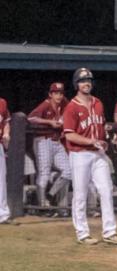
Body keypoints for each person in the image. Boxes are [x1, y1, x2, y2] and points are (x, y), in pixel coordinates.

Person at [63, 68, 117, 245]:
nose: (86, 83)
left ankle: (110, 231)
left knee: (106, 190)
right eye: (82, 81)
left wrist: (108, 137)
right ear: (76, 84)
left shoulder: (98, 103)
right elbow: (69, 135)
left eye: (88, 80)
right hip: (79, 154)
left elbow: (101, 125)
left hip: (98, 153)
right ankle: (82, 233)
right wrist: (92, 142)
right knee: (80, 194)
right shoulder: (71, 107)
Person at [27, 82, 72, 217]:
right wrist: (49, 122)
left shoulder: (64, 103)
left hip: (56, 142)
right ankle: (42, 205)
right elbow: (30, 118)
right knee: (44, 172)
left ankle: (50, 195)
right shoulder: (46, 104)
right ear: (50, 94)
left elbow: (71, 111)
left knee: (69, 170)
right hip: (43, 141)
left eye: (60, 93)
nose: (59, 95)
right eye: (56, 93)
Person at [0, 97, 17, 225]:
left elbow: (6, 121)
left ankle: (3, 214)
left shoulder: (2, 103)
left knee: (1, 180)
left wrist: (7, 133)